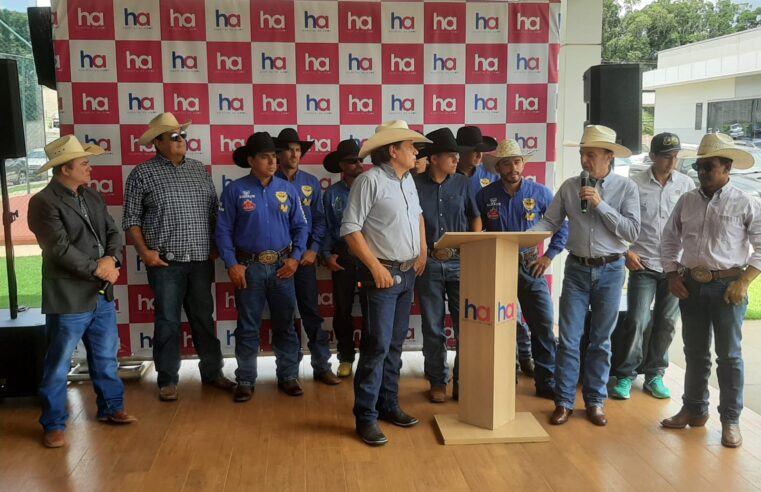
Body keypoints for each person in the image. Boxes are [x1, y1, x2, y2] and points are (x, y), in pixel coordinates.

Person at [28, 135, 136, 448]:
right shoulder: (43, 202)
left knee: (105, 356)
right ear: (64, 169)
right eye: (83, 163)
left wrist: (112, 259)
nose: (89, 168)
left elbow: (114, 232)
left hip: (100, 293)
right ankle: (53, 423)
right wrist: (98, 268)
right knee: (59, 363)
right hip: (69, 297)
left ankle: (112, 409)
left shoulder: (92, 197)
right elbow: (58, 248)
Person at [530, 125, 640, 427]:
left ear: (609, 157)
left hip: (612, 270)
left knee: (601, 341)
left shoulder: (626, 189)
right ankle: (563, 401)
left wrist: (600, 204)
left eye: (591, 154)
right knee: (568, 339)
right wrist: (519, 239)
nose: (585, 160)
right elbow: (549, 222)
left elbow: (632, 231)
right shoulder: (569, 187)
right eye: (582, 154)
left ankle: (594, 401)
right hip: (577, 269)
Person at [123, 113, 233, 402]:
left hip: (200, 260)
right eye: (173, 137)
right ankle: (167, 379)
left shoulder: (199, 170)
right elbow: (131, 219)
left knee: (203, 319)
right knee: (168, 321)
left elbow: (213, 211)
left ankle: (213, 373)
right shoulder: (141, 174)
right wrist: (144, 253)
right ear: (157, 142)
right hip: (165, 263)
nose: (181, 140)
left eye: (182, 135)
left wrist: (215, 246)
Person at [661, 133, 760, 448]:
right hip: (690, 285)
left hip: (728, 286)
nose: (701, 173)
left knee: (729, 356)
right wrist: (672, 274)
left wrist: (744, 281)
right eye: (700, 167)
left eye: (709, 167)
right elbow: (668, 240)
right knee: (695, 353)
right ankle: (693, 409)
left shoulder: (745, 201)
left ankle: (730, 419)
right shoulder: (687, 200)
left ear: (727, 167)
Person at [341, 120, 431, 446]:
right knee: (377, 346)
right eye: (411, 146)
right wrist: (375, 267)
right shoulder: (369, 181)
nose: (417, 151)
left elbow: (418, 216)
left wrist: (422, 251)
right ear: (393, 151)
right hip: (382, 275)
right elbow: (351, 229)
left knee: (394, 345)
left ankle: (388, 405)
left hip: (408, 273)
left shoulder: (408, 180)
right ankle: (365, 416)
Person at [215, 132, 309, 401]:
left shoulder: (287, 190)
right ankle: (245, 378)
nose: (272, 161)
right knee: (247, 326)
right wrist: (232, 264)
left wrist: (295, 257)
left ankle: (289, 375)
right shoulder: (234, 190)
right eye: (265, 157)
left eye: (274, 156)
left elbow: (301, 227)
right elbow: (222, 231)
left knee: (286, 324)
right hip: (249, 267)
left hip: (282, 266)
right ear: (250, 160)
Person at [477, 139, 568, 399]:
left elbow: (561, 227)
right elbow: (476, 228)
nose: (513, 168)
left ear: (523, 164)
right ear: (499, 168)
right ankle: (506, 377)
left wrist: (549, 257)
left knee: (542, 324)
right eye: (506, 163)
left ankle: (546, 381)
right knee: (502, 325)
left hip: (532, 264)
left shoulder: (541, 193)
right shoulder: (486, 195)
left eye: (517, 162)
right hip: (499, 263)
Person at [610, 133, 695, 400]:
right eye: (667, 156)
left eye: (675, 156)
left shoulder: (686, 184)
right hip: (643, 263)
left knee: (667, 322)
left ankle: (655, 374)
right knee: (637, 320)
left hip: (675, 268)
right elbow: (618, 224)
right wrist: (626, 251)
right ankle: (625, 375)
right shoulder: (633, 185)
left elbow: (691, 225)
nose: (672, 161)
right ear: (653, 157)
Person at [456, 125, 535, 375]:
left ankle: (524, 355)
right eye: (473, 151)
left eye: (481, 151)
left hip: (496, 254)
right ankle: (480, 364)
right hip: (461, 254)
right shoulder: (448, 176)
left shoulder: (489, 179)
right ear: (459, 153)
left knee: (511, 310)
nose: (478, 156)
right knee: (479, 314)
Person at [413, 128, 481, 403]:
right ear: (433, 158)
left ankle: (463, 382)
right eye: (451, 156)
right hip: (427, 264)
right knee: (432, 326)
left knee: (466, 325)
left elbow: (475, 218)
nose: (456, 160)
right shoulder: (414, 184)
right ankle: (437, 381)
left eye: (456, 156)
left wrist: (475, 248)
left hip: (459, 262)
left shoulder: (463, 184)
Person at [274, 128, 341, 386]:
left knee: (311, 312)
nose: (294, 154)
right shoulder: (268, 181)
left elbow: (321, 221)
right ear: (278, 154)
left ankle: (322, 366)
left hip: (304, 261)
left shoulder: (311, 182)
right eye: (289, 149)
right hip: (278, 260)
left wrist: (313, 249)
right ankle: (288, 372)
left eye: (298, 149)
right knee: (284, 316)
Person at [321, 139, 368, 378]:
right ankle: (346, 357)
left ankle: (370, 361)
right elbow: (328, 228)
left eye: (360, 159)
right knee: (342, 311)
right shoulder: (332, 194)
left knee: (372, 310)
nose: (358, 164)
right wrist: (327, 255)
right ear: (341, 165)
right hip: (343, 257)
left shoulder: (372, 186)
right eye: (352, 161)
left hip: (371, 257)